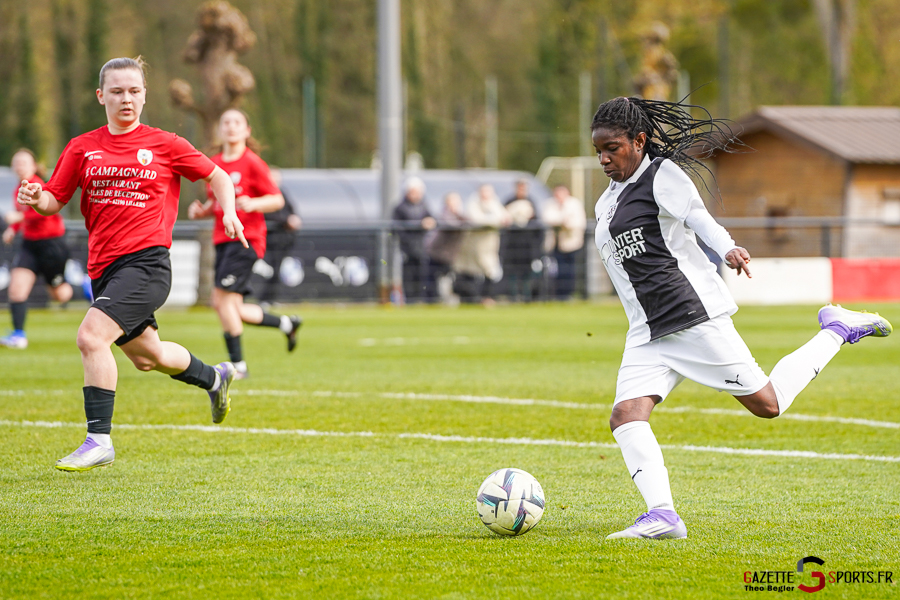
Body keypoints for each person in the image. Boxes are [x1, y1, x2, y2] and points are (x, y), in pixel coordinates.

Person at [590, 96, 893, 540]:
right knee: (626, 416)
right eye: (597, 150)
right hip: (648, 329)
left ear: (639, 141)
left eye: (611, 148)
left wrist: (727, 246)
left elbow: (698, 218)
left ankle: (837, 329)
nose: (603, 158)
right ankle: (663, 516)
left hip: (691, 317)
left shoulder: (662, 177)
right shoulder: (607, 201)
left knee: (768, 405)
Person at [17, 57, 246, 471]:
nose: (127, 99)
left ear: (145, 96)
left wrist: (227, 211)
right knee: (148, 357)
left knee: (91, 337)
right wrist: (38, 198)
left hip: (148, 265)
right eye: (118, 91)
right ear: (101, 96)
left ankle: (98, 439)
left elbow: (218, 177)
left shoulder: (166, 143)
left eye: (135, 91)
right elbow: (55, 198)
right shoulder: (82, 147)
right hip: (103, 269)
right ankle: (216, 377)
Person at [188, 109, 302, 380]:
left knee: (220, 300)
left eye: (236, 122)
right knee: (233, 307)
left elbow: (276, 200)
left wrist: (254, 203)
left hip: (246, 238)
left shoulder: (252, 163)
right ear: (219, 129)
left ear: (247, 130)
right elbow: (217, 201)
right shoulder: (213, 164)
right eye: (225, 122)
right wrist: (203, 210)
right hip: (221, 240)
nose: (230, 127)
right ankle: (286, 323)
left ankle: (239, 366)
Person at [1, 149, 74, 348]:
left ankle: (86, 287)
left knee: (60, 295)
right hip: (30, 244)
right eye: (16, 163)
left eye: (24, 162)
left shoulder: (39, 186)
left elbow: (45, 212)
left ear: (34, 166)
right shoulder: (18, 189)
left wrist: (19, 218)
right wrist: (13, 229)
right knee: (16, 288)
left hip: (51, 244)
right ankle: (18, 335)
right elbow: (21, 214)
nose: (19, 166)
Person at [453, 184, 510, 305]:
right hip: (474, 246)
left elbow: (505, 217)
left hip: (490, 246)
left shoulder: (495, 203)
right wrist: (494, 221)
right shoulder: (473, 203)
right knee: (470, 271)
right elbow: (477, 220)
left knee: (491, 271)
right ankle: (469, 299)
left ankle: (486, 297)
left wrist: (493, 220)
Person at [258, 167, 302, 305]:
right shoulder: (261, 194)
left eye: (278, 178)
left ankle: (268, 300)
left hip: (281, 240)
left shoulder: (282, 193)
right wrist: (286, 220)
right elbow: (266, 214)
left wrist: (293, 219)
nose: (276, 181)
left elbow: (291, 211)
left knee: (277, 270)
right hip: (265, 239)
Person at [392, 177, 436, 302]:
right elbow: (396, 228)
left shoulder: (425, 206)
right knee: (408, 275)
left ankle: (421, 298)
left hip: (422, 248)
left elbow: (433, 220)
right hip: (407, 248)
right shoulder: (400, 208)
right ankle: (410, 300)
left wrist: (430, 223)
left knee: (422, 274)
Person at [502, 179, 543, 302]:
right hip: (512, 245)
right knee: (512, 272)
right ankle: (514, 296)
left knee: (528, 272)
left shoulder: (531, 202)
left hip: (527, 246)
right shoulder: (509, 201)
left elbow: (537, 225)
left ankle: (527, 296)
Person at [543, 184, 587, 300]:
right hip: (555, 244)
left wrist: (564, 223)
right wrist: (563, 220)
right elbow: (547, 218)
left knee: (570, 270)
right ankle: (557, 294)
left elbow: (579, 223)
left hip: (571, 244)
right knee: (556, 270)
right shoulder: (550, 204)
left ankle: (568, 294)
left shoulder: (574, 204)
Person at [425, 192, 467, 303]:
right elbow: (451, 225)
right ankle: (434, 300)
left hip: (451, 256)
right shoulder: (444, 216)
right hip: (438, 254)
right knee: (435, 280)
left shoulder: (461, 217)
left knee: (449, 280)